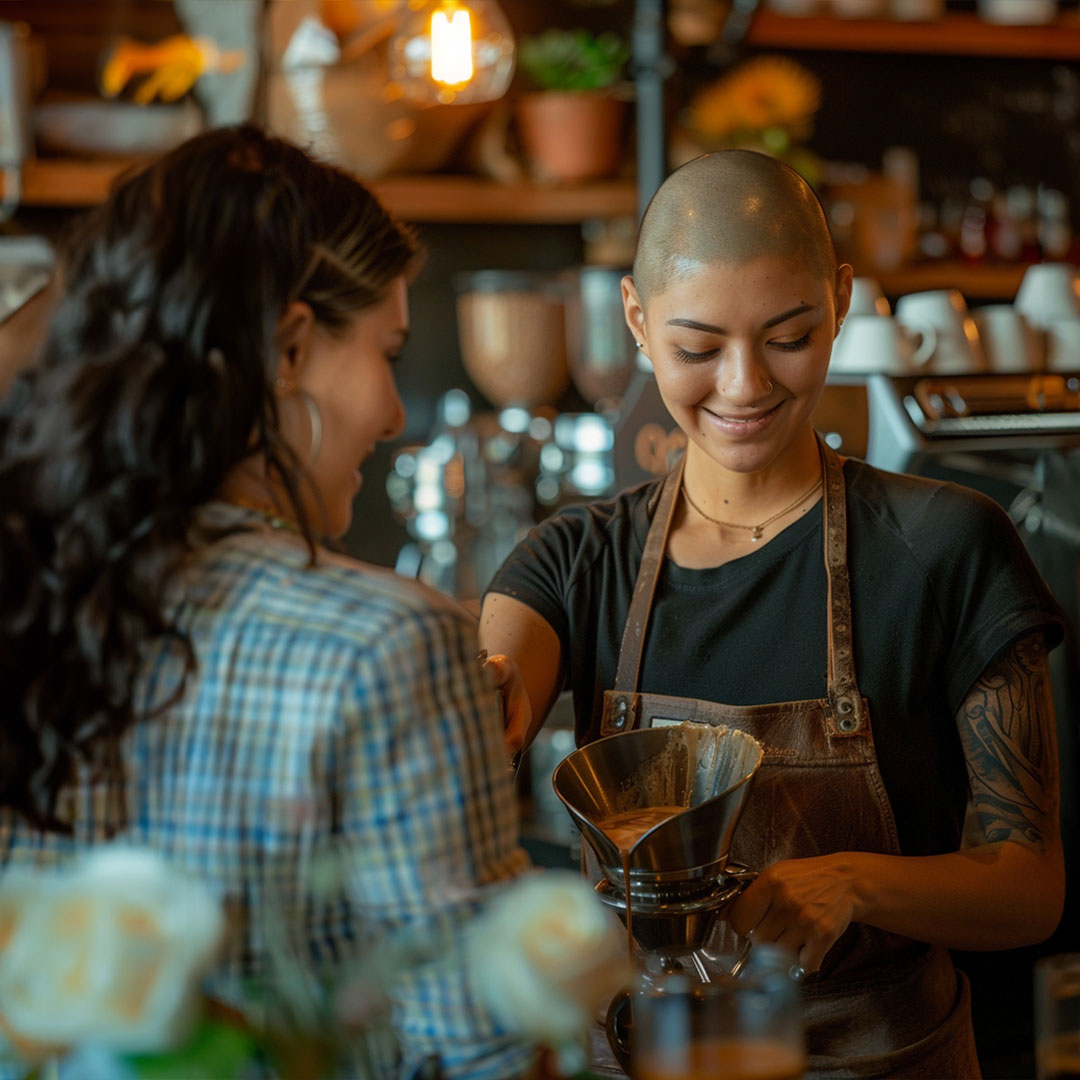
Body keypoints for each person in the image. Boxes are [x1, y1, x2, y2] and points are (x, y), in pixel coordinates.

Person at [480, 149, 1067, 1077]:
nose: (745, 385)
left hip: (885, 1057)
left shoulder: (948, 547)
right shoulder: (574, 560)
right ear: (637, 318)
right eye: (698, 348)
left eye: (788, 335)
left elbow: (1030, 888)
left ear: (840, 298)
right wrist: (475, 710)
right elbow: (492, 706)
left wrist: (856, 882)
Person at [0, 125, 535, 1080]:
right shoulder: (388, 644)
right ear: (289, 348)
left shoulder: (27, 594)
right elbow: (491, 1045)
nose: (396, 412)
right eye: (387, 352)